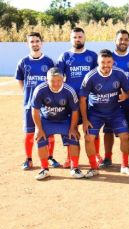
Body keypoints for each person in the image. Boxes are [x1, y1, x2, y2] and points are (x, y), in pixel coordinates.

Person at [79, 49, 129, 178]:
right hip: (95, 113)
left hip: (115, 111)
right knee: (88, 138)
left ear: (113, 62)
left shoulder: (119, 74)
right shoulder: (90, 77)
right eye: (102, 62)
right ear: (98, 62)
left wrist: (125, 96)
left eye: (108, 62)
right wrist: (86, 120)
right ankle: (94, 167)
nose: (106, 65)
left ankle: (124, 166)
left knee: (125, 136)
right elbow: (82, 99)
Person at [99, 29, 129, 168]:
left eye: (126, 39)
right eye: (120, 39)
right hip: (111, 102)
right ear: (115, 41)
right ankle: (108, 157)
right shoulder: (108, 57)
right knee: (108, 131)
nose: (123, 41)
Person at [15, 32, 59, 170]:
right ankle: (28, 159)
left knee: (50, 133)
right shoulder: (23, 62)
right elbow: (20, 80)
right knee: (29, 133)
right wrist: (26, 94)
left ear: (42, 43)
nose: (34, 44)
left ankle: (50, 157)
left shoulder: (49, 62)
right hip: (30, 105)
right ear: (27, 44)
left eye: (37, 41)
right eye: (32, 41)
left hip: (47, 105)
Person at [57, 27, 99, 168]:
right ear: (71, 39)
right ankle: (69, 157)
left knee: (92, 128)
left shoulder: (93, 56)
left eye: (80, 37)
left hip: (89, 99)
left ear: (84, 38)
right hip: (71, 101)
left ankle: (96, 155)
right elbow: (58, 78)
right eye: (75, 37)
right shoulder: (64, 56)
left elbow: (98, 76)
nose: (77, 39)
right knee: (71, 128)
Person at [31, 67, 83, 180]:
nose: (55, 84)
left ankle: (74, 168)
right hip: (46, 120)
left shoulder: (69, 91)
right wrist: (38, 129)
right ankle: (44, 169)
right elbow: (35, 110)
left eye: (59, 80)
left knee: (74, 138)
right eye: (52, 81)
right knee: (40, 139)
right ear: (46, 80)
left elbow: (75, 111)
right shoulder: (40, 90)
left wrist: (73, 128)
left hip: (64, 120)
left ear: (63, 79)